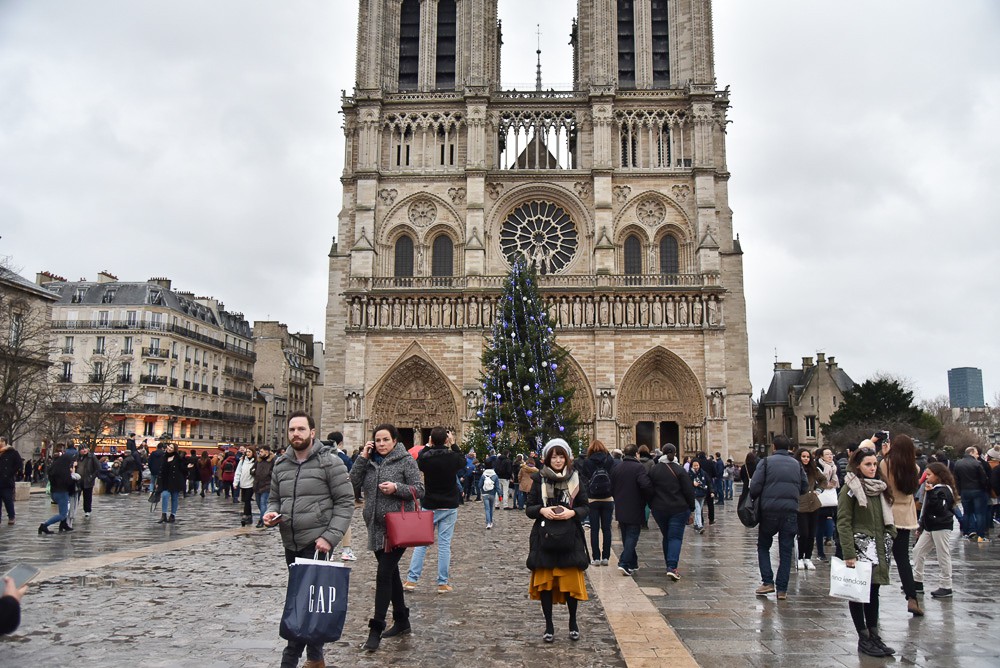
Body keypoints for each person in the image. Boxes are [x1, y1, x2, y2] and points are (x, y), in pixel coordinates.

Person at [263, 411, 354, 668]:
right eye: (292, 429)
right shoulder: (281, 464)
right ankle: (316, 659)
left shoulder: (330, 462)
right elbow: (275, 499)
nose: (296, 434)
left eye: (301, 429)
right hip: (290, 542)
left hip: (316, 544)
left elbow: (345, 502)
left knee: (300, 604)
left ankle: (289, 661)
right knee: (309, 603)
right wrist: (270, 514)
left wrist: (330, 537)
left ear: (312, 433)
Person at [349, 423, 424, 652]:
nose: (381, 444)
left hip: (398, 528)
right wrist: (362, 457)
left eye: (385, 440)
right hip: (375, 528)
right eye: (378, 440)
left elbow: (419, 489)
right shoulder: (369, 462)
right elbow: (351, 483)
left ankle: (376, 629)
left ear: (395, 441)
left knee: (383, 575)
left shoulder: (406, 461)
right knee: (392, 575)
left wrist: (396, 488)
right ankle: (402, 621)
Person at [526, 438, 590, 643]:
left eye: (561, 456)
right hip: (545, 537)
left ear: (567, 458)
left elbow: (585, 506)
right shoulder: (539, 479)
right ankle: (549, 625)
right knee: (546, 584)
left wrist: (572, 513)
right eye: (553, 457)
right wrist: (542, 510)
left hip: (569, 537)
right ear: (547, 459)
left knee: (569, 582)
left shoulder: (576, 478)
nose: (557, 460)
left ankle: (573, 622)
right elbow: (529, 508)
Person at [837, 446, 897, 657]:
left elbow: (887, 516)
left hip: (879, 546)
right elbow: (843, 522)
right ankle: (863, 637)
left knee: (874, 591)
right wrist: (849, 553)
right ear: (858, 465)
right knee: (858, 593)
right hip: (860, 548)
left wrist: (890, 534)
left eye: (874, 464)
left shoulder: (880, 487)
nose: (872, 468)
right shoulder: (850, 488)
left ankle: (874, 635)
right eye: (867, 464)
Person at [404, 426, 466, 594]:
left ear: (431, 440)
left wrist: (428, 445)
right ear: (446, 439)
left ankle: (411, 580)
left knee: (421, 544)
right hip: (449, 505)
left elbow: (419, 459)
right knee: (444, 545)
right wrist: (453, 444)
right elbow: (462, 460)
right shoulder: (453, 457)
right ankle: (442, 583)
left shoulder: (426, 458)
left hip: (430, 504)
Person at [748, 435, 807, 600]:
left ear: (773, 447)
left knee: (763, 546)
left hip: (769, 511)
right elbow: (804, 487)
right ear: (789, 448)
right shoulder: (797, 464)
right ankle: (782, 589)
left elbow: (755, 487)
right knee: (786, 551)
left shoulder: (766, 462)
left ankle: (768, 581)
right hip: (790, 511)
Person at [879, 433, 923, 616]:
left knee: (881, 555)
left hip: (888, 513)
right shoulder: (915, 467)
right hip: (905, 516)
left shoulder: (886, 464)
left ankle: (874, 593)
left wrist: (884, 455)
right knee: (903, 558)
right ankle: (912, 597)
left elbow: (882, 484)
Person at [648, 444, 695, 580]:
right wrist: (691, 508)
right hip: (678, 509)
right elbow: (688, 491)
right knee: (675, 537)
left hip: (659, 509)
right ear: (675, 453)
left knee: (667, 536)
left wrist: (652, 504)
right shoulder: (680, 470)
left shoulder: (654, 470)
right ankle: (672, 566)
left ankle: (669, 564)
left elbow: (648, 488)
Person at [912, 462, 957, 599]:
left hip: (941, 525)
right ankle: (917, 581)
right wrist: (921, 526)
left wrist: (931, 493)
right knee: (918, 550)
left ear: (938, 475)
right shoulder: (935, 489)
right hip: (930, 526)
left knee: (942, 554)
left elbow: (939, 509)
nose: (926, 477)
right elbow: (926, 510)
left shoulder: (944, 490)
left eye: (929, 474)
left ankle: (946, 585)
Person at [610, 444, 652, 576]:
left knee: (626, 536)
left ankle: (633, 563)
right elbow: (645, 485)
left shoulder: (617, 467)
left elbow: (611, 486)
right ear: (636, 454)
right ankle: (624, 563)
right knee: (632, 536)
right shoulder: (638, 467)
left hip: (620, 506)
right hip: (635, 506)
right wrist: (648, 498)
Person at [576, 439, 616, 566]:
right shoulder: (609, 460)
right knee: (607, 529)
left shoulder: (587, 462)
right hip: (608, 498)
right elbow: (614, 476)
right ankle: (606, 557)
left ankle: (596, 558)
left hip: (592, 498)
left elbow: (583, 479)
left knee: (594, 529)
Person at [794, 447, 825, 570]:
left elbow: (823, 480)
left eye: (808, 457)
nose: (806, 459)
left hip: (813, 504)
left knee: (812, 533)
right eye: (803, 457)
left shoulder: (813, 469)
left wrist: (819, 490)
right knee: (803, 533)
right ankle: (800, 557)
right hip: (800, 504)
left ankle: (808, 557)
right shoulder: (795, 469)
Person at [954, 446, 990, 542]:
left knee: (967, 513)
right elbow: (983, 479)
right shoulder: (977, 463)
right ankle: (981, 536)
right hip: (978, 490)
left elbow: (956, 479)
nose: (978, 455)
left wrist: (959, 490)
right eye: (976, 453)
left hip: (964, 491)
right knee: (979, 514)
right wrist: (984, 488)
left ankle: (966, 534)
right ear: (971, 453)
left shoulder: (958, 463)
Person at [39, 450, 76, 534]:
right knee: (63, 514)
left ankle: (64, 524)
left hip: (54, 492)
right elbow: (68, 482)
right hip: (62, 493)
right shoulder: (64, 471)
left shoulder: (55, 468)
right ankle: (44, 525)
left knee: (63, 511)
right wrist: (74, 478)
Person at [814, 446, 840, 561]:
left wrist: (832, 484)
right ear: (821, 456)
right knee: (820, 527)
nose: (830, 456)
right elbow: (819, 482)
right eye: (827, 454)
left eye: (831, 454)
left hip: (833, 500)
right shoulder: (817, 467)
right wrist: (826, 484)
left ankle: (839, 553)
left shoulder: (835, 466)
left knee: (838, 526)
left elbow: (838, 481)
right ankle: (820, 553)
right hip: (822, 501)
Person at [156, 442, 186, 523]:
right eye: (169, 446)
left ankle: (172, 515)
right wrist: (158, 482)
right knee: (165, 495)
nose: (169, 448)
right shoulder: (164, 457)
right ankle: (164, 515)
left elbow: (183, 469)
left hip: (175, 481)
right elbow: (160, 470)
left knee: (174, 498)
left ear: (174, 450)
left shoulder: (178, 458)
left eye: (171, 448)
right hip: (165, 481)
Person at [0, 438, 24, 525]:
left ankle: (11, 516)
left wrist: (10, 473)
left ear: (5, 443)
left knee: (8, 500)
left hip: (7, 481)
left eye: (1, 441)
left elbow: (19, 464)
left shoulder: (12, 452)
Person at [252, 445, 275, 528]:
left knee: (263, 503)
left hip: (267, 485)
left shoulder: (272, 460)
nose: (260, 453)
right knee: (259, 503)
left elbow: (275, 472)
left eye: (261, 451)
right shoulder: (259, 460)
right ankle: (265, 516)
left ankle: (261, 521)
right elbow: (252, 469)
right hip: (257, 485)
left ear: (267, 452)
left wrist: (269, 473)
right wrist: (253, 472)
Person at [76, 445, 99, 519]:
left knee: (87, 497)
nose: (84, 450)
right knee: (76, 496)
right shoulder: (76, 457)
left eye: (85, 448)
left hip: (88, 480)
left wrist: (92, 477)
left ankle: (87, 511)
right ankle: (73, 510)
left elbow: (98, 468)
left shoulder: (91, 457)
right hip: (78, 480)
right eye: (82, 449)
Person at [688, 459, 709, 534]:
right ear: (692, 466)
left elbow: (708, 482)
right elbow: (686, 483)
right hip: (694, 494)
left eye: (697, 465)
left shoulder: (703, 473)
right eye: (694, 466)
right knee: (698, 510)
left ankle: (696, 524)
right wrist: (692, 483)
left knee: (699, 509)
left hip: (702, 494)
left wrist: (711, 491)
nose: (696, 467)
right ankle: (700, 526)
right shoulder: (689, 474)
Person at [478, 461, 501, 528]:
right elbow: (497, 487)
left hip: (485, 494)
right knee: (491, 508)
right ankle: (491, 521)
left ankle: (488, 523)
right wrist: (500, 495)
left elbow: (479, 485)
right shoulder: (495, 475)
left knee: (487, 509)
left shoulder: (483, 475)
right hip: (492, 494)